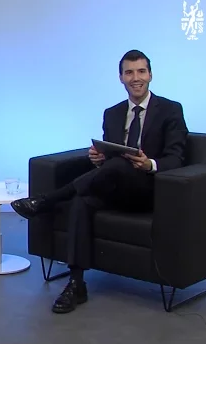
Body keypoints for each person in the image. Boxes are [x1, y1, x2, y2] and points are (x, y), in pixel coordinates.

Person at [12, 50, 188, 314]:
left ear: (150, 75)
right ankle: (76, 284)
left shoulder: (170, 110)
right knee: (82, 200)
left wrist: (149, 164)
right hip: (115, 185)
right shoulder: (112, 113)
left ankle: (47, 200)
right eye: (129, 72)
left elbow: (176, 159)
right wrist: (98, 159)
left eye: (141, 71)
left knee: (119, 164)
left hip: (150, 189)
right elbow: (110, 160)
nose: (136, 78)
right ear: (121, 78)